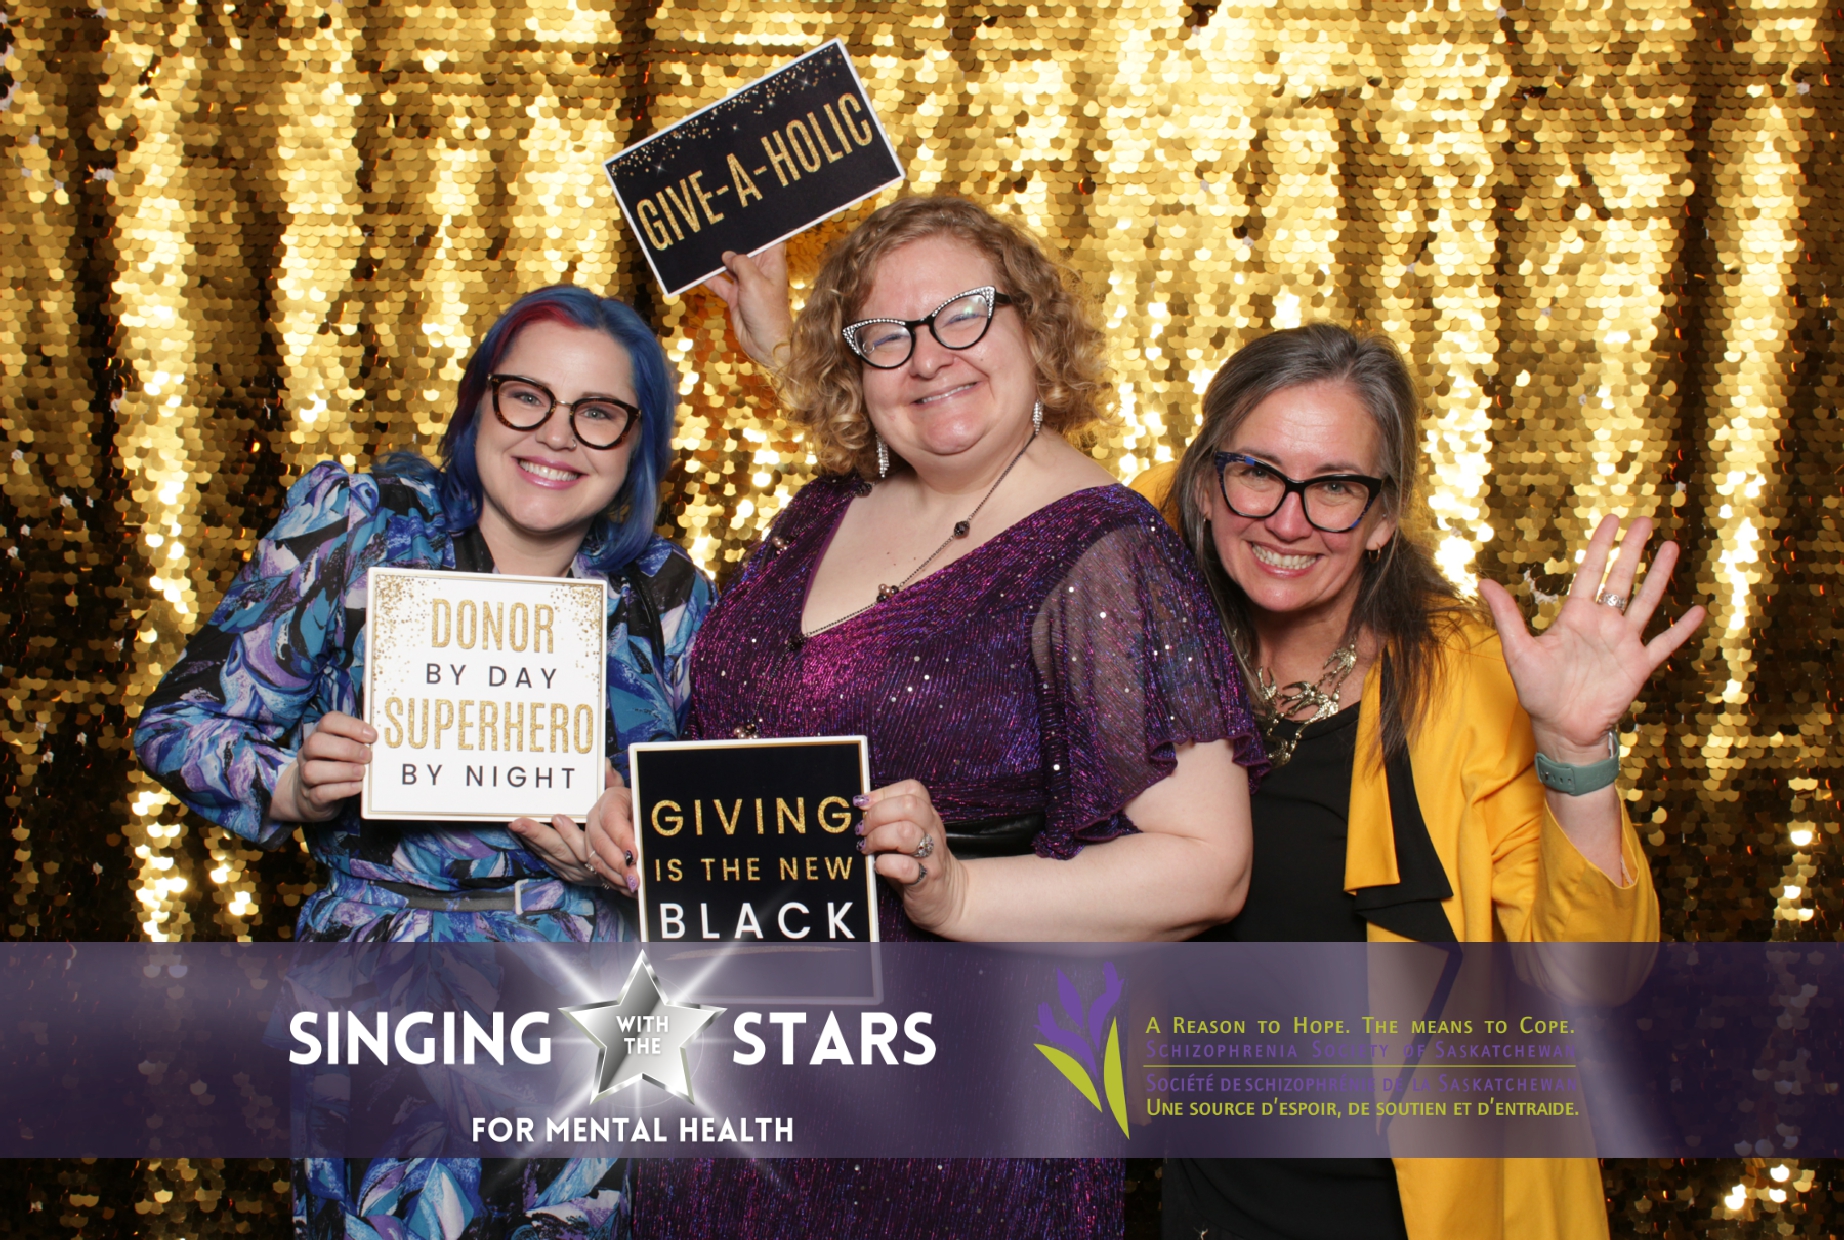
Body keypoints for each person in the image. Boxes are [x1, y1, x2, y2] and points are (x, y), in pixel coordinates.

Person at [579, 195, 1269, 1235]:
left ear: (1034, 327)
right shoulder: (831, 502)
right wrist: (650, 823)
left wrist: (958, 892)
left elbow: (1208, 867)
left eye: (964, 315)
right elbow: (781, 723)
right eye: (886, 334)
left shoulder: (1103, 552)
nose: (928, 356)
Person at [132, 286, 712, 1240]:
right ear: (479, 399)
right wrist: (290, 784)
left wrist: (635, 845)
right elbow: (178, 724)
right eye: (527, 396)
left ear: (637, 443)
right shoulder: (362, 528)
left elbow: (718, 839)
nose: (556, 435)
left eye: (598, 413)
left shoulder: (666, 594)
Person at [1129, 323, 1703, 1240]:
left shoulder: (1465, 677)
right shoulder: (1157, 642)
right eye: (1259, 473)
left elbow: (1593, 983)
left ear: (1385, 516)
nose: (1288, 520)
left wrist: (1574, 750)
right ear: (1207, 484)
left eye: (1336, 487)